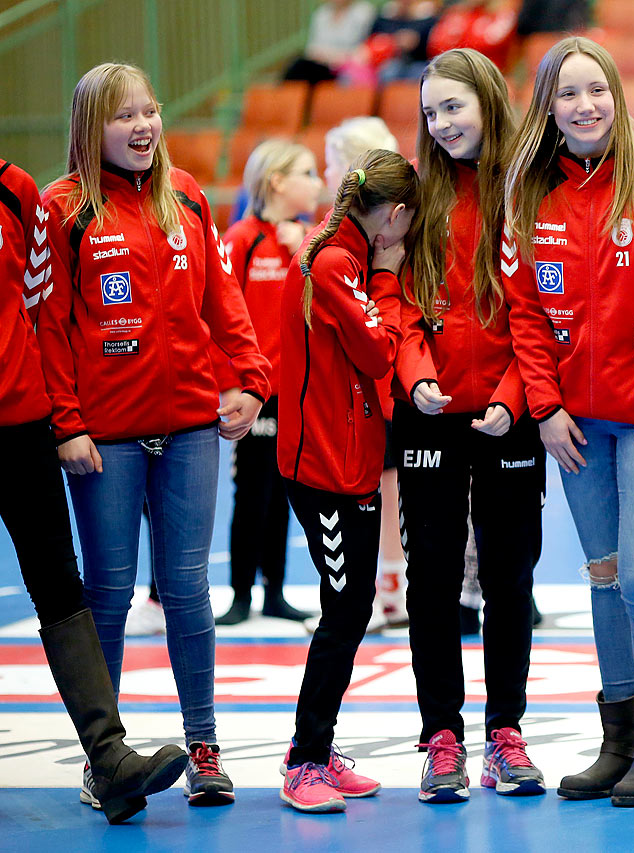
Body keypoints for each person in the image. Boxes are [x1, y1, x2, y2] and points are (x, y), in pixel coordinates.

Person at [37, 62, 270, 808]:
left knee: (188, 589)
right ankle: (104, 756)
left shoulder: (189, 197)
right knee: (107, 595)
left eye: (151, 111)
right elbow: (48, 328)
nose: (143, 127)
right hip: (104, 439)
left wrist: (249, 377)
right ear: (89, 127)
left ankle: (204, 745)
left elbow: (223, 301)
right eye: (123, 116)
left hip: (194, 428)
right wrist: (66, 423)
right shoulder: (63, 208)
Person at [503, 36, 634, 808]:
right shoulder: (531, 189)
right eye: (568, 95)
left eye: (597, 92)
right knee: (605, 576)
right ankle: (617, 740)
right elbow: (524, 312)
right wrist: (543, 407)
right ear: (547, 108)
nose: (584, 107)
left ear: (618, 96)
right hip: (573, 425)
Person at [1, 154, 189, 824]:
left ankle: (108, 760)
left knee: (61, 585)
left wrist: (57, 414)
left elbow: (42, 308)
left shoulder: (15, 189)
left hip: (21, 424)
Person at [397, 47, 547, 804]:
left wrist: (514, 395)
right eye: (431, 112)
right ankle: (441, 735)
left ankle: (504, 731)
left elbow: (538, 314)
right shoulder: (416, 196)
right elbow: (401, 307)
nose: (442, 122)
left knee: (509, 576)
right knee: (430, 578)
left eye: (454, 106)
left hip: (508, 419)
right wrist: (417, 375)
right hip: (429, 416)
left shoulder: (528, 194)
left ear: (489, 101)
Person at [277, 150, 416, 812]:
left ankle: (317, 746)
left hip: (345, 457)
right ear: (393, 217)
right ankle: (304, 759)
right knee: (343, 612)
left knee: (351, 608)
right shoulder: (337, 262)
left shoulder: (335, 250)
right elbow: (381, 351)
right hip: (325, 469)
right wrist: (388, 281)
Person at [217, 140, 323, 627]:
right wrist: (231, 386)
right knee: (251, 492)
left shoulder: (308, 240)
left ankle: (276, 592)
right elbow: (217, 315)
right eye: (307, 171)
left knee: (285, 490)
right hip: (253, 394)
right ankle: (241, 595)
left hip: (297, 393)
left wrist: (300, 248)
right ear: (277, 181)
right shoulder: (241, 238)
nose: (318, 182)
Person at [322, 116, 408, 632]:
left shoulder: (361, 246)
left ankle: (387, 589)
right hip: (380, 386)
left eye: (332, 163)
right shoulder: (343, 243)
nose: (326, 172)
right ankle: (390, 587)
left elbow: (375, 341)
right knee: (389, 484)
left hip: (380, 388)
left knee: (385, 484)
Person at [284, 0, 377, 83]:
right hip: (323, 65)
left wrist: (332, 56)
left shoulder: (364, 12)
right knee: (299, 66)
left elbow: (362, 50)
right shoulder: (321, 13)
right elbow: (312, 48)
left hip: (346, 67)